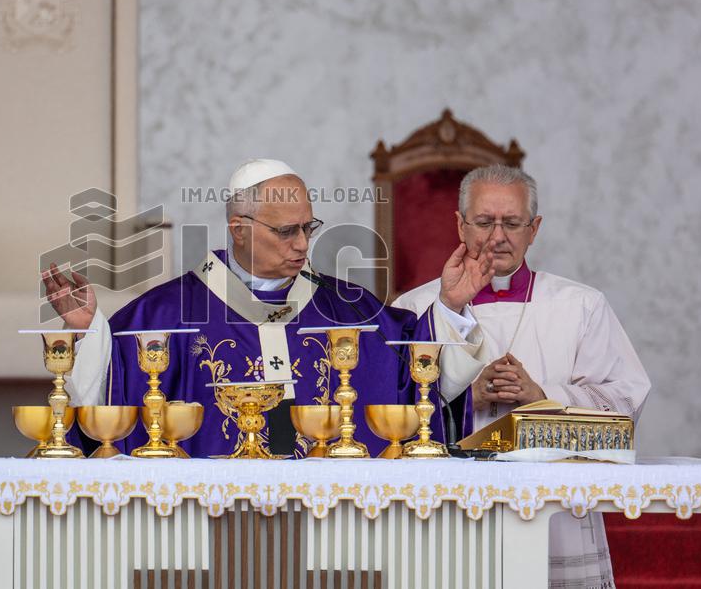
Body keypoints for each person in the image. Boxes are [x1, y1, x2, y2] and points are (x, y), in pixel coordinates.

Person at [45, 158, 494, 457]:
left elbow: (414, 373)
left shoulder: (347, 309)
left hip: (330, 522)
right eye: (286, 232)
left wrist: (451, 305)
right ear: (239, 229)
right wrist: (91, 332)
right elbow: (111, 397)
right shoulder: (170, 313)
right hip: (211, 524)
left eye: (309, 228)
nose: (303, 245)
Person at [394, 164, 650, 589]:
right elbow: (389, 407)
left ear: (534, 229)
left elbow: (626, 402)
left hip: (554, 511)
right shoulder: (415, 306)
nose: (498, 236)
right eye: (484, 222)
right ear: (460, 225)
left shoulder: (580, 305)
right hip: (448, 507)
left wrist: (542, 395)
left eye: (512, 223)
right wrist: (464, 397)